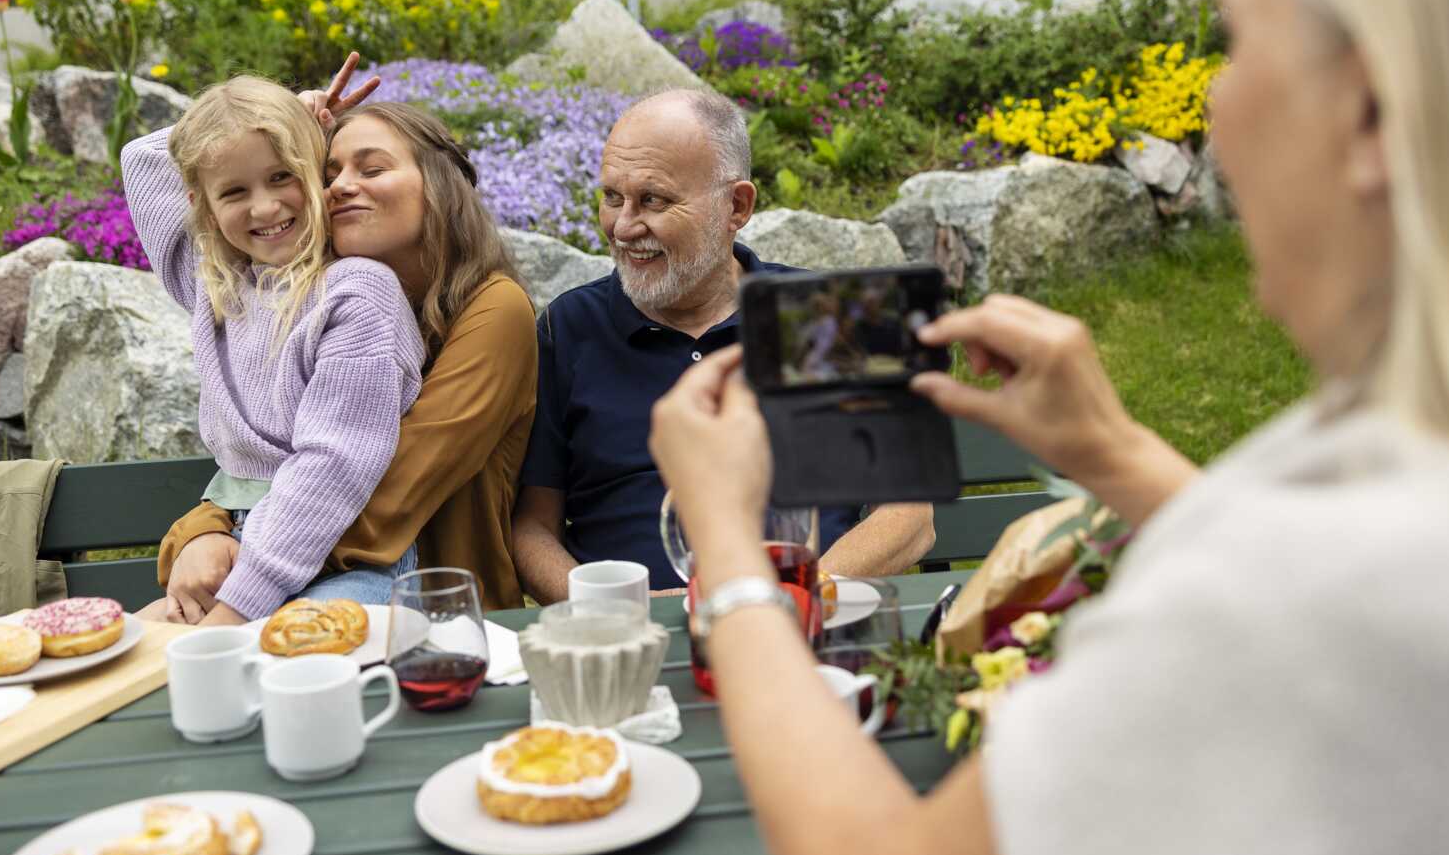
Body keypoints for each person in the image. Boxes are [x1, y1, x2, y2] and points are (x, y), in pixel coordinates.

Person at [647, 0, 1449, 855]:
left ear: (1376, 112)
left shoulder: (1295, 617)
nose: (1214, 101)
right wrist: (1116, 456)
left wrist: (732, 557)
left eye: (1240, 42)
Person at [135, 60, 537, 619]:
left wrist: (226, 560)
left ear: (438, 183)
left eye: (371, 169)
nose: (343, 184)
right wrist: (275, 123)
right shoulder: (277, 294)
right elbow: (147, 163)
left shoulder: (488, 308)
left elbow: (373, 487)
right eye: (328, 170)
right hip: (286, 563)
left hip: (433, 603)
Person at [511, 88, 935, 603]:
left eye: (654, 200)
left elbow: (910, 517)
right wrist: (617, 611)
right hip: (637, 641)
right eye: (612, 197)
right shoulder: (567, 328)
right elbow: (533, 527)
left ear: (736, 206)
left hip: (813, 627)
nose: (622, 227)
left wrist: (789, 601)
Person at [122, 74, 426, 624]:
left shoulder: (357, 294)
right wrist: (289, 112)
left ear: (315, 172)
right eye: (234, 191)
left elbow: (331, 467)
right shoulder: (214, 284)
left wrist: (236, 608)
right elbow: (142, 159)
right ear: (202, 205)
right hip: (231, 547)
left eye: (282, 176)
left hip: (348, 561)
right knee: (133, 659)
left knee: (267, 657)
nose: (263, 208)